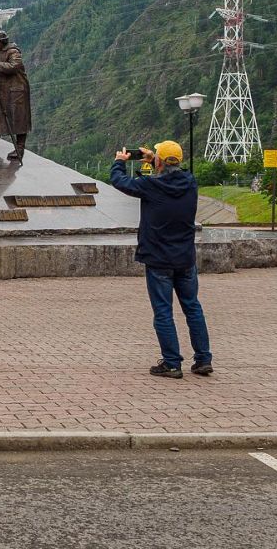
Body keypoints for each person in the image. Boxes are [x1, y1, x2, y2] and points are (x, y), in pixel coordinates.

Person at [109, 140, 213, 379]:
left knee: (163, 312)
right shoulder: (190, 183)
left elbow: (120, 181)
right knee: (193, 308)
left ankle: (172, 362)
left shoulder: (151, 186)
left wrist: (119, 163)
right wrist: (154, 161)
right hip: (185, 259)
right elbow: (171, 173)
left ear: (159, 161)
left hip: (158, 260)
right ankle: (203, 359)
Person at [0, 30, 31, 162]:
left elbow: (13, 67)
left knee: (19, 118)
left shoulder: (13, 52)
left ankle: (20, 148)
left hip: (16, 90)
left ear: (3, 41)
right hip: (0, 90)